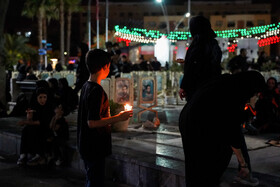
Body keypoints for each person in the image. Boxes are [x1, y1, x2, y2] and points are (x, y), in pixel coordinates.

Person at [179, 71, 265, 187]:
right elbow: (232, 132)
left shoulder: (226, 81)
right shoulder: (235, 94)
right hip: (199, 125)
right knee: (214, 159)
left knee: (194, 165)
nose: (256, 96)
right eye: (256, 93)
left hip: (188, 120)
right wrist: (243, 164)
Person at [77, 49, 133, 187]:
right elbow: (92, 122)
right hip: (94, 146)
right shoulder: (96, 91)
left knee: (92, 178)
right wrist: (119, 117)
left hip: (86, 144)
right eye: (109, 65)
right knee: (95, 181)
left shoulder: (86, 86)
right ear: (104, 67)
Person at [178, 16, 222, 102]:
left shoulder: (198, 44)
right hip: (212, 85)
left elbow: (192, 66)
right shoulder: (213, 43)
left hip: (197, 88)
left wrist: (184, 86)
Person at [17, 87, 55, 166]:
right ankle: (23, 155)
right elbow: (32, 120)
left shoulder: (49, 107)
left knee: (33, 130)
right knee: (26, 130)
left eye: (44, 97)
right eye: (40, 97)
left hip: (46, 129)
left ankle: (39, 155)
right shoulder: (35, 106)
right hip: (37, 127)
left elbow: (41, 122)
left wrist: (25, 122)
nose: (43, 100)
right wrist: (29, 116)